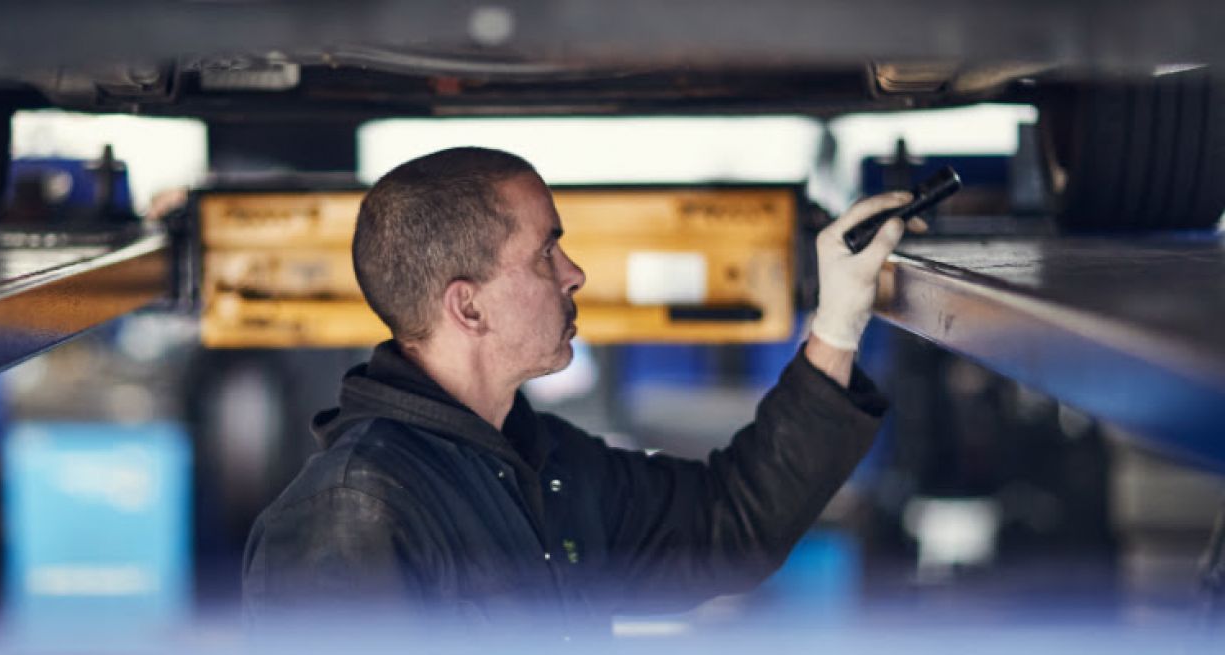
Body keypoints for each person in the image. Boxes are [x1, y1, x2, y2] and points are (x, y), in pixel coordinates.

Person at [243, 146, 918, 638]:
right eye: (546, 253)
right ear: (468, 308)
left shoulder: (544, 462)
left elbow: (729, 524)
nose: (575, 274)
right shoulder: (351, 511)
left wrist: (837, 324)